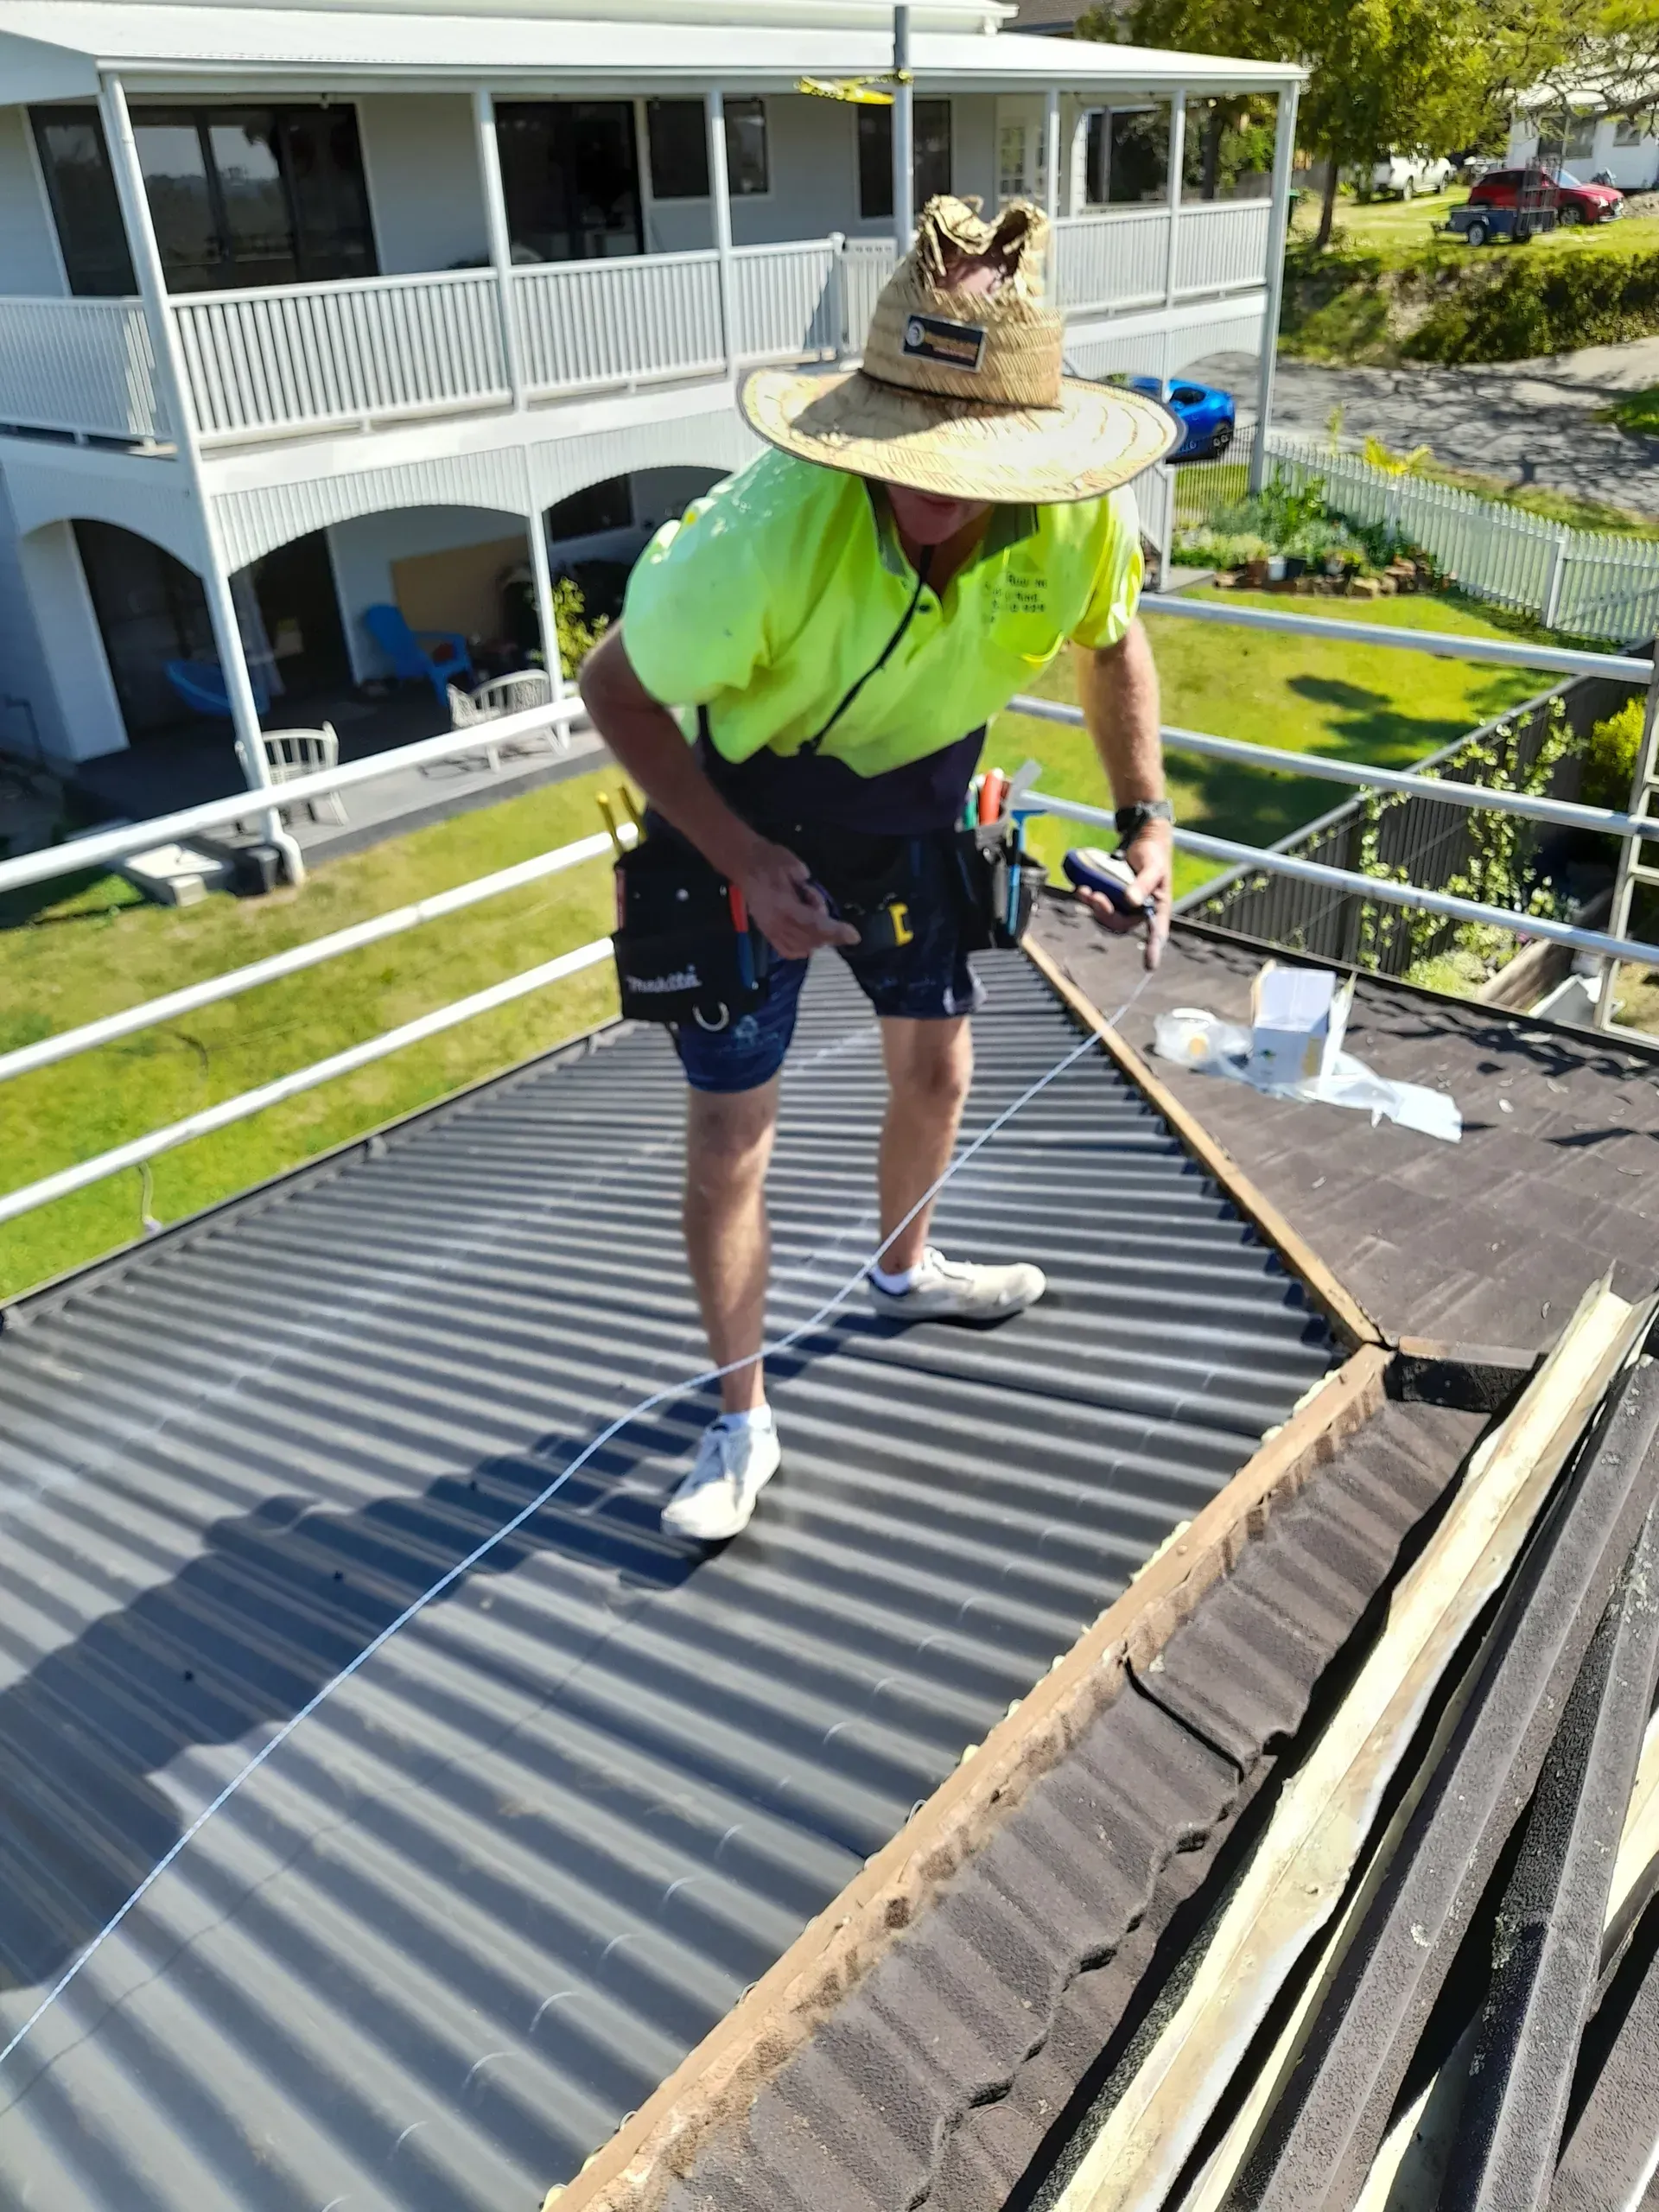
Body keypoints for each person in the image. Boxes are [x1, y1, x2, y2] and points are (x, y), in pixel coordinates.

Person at [580, 194, 1179, 1543]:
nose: (932, 487)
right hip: (738, 813)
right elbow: (612, 689)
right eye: (907, 444)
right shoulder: (754, 542)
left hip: (915, 808)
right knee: (736, 1134)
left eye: (968, 456)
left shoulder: (1078, 521)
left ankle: (903, 1273)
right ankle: (742, 1420)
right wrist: (744, 857)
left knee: (942, 1063)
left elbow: (1114, 642)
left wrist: (1146, 813)